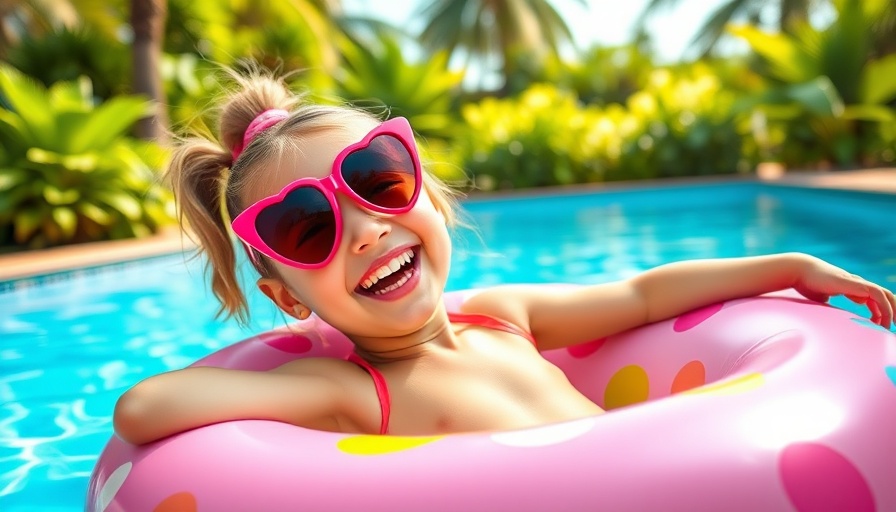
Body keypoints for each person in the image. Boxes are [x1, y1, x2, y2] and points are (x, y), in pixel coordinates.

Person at [113, 70, 896, 445]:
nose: (363, 230)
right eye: (307, 229)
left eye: (376, 180)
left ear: (431, 198)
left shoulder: (503, 316)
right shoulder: (354, 392)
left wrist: (787, 266)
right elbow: (144, 410)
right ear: (288, 298)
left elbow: (644, 294)